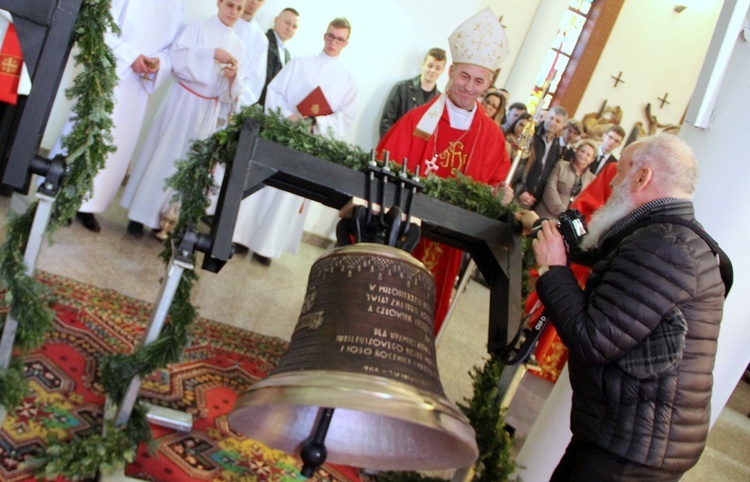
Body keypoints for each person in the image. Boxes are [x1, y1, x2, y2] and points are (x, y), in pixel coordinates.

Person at [532, 134, 730, 481]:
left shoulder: (663, 246)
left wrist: (554, 270)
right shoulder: (664, 233)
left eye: (621, 172)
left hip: (629, 450)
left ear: (642, 178)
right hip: (634, 436)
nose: (612, 181)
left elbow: (592, 339)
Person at [377, 8, 513, 335]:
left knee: (424, 308)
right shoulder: (417, 119)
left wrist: (500, 195)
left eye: (479, 80)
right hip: (404, 229)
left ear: (489, 83)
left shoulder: (492, 137)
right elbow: (386, 162)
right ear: (451, 71)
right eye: (464, 76)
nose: (469, 87)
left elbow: (496, 184)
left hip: (450, 241)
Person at [45, 0, 183, 232]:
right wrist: (130, 56)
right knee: (88, 131)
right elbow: (103, 25)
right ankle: (61, 195)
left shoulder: (177, 5)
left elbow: (174, 49)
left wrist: (159, 62)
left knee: (115, 145)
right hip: (111, 71)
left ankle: (87, 205)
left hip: (139, 86)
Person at [232, 17, 357, 265]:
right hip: (283, 132)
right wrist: (288, 115)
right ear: (324, 35)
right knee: (262, 184)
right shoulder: (300, 63)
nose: (333, 42)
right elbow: (275, 91)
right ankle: (239, 236)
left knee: (285, 195)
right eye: (330, 36)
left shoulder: (348, 80)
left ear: (346, 43)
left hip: (309, 142)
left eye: (339, 39)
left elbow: (346, 118)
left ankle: (266, 247)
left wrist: (316, 123)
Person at [120, 0, 246, 236]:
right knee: (163, 157)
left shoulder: (240, 46)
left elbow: (234, 94)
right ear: (219, 3)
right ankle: (139, 216)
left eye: (239, 8)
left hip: (208, 110)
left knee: (188, 166)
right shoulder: (197, 27)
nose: (234, 12)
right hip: (183, 101)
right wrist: (210, 54)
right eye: (230, 5)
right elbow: (177, 56)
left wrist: (232, 77)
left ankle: (166, 221)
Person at [378, 47, 446, 139]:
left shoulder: (440, 101)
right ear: (423, 65)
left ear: (442, 71)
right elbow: (386, 122)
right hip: (397, 145)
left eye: (438, 68)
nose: (433, 71)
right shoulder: (401, 88)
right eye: (430, 66)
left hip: (420, 151)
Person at [515, 105, 568, 210]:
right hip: (519, 191)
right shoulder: (532, 134)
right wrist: (521, 190)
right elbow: (519, 165)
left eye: (557, 121)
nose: (553, 122)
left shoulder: (557, 146)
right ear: (546, 117)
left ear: (562, 126)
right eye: (551, 118)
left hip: (535, 198)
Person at [533, 138, 596, 219]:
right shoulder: (561, 166)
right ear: (576, 151)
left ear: (592, 159)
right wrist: (563, 212)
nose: (584, 155)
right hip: (546, 214)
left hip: (568, 221)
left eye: (588, 155)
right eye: (582, 151)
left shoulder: (592, 179)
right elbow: (550, 188)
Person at [258, 7, 299, 107]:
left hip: (271, 109)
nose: (290, 28)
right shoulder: (263, 41)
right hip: (257, 105)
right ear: (276, 20)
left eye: (294, 26)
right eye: (287, 23)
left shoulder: (287, 54)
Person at [231, 0, 268, 110]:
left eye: (260, 0)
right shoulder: (225, 19)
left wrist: (238, 100)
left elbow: (256, 78)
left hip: (235, 101)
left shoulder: (260, 39)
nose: (254, 2)